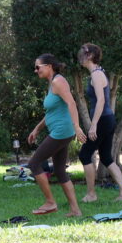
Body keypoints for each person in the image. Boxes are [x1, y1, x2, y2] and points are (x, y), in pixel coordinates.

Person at [27, 54, 87, 217]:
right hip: (60, 131)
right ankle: (75, 210)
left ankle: (50, 202)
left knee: (34, 163)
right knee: (60, 170)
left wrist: (77, 127)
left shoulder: (58, 81)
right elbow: (52, 111)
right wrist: (37, 129)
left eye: (38, 67)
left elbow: (71, 103)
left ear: (49, 66)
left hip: (62, 131)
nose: (36, 70)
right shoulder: (52, 83)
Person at [77, 44, 122, 202]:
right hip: (106, 120)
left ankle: (91, 194)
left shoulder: (96, 75)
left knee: (85, 154)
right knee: (106, 157)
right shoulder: (97, 73)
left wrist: (93, 125)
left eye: (83, 53)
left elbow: (100, 101)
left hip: (102, 121)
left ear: (90, 56)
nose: (80, 56)